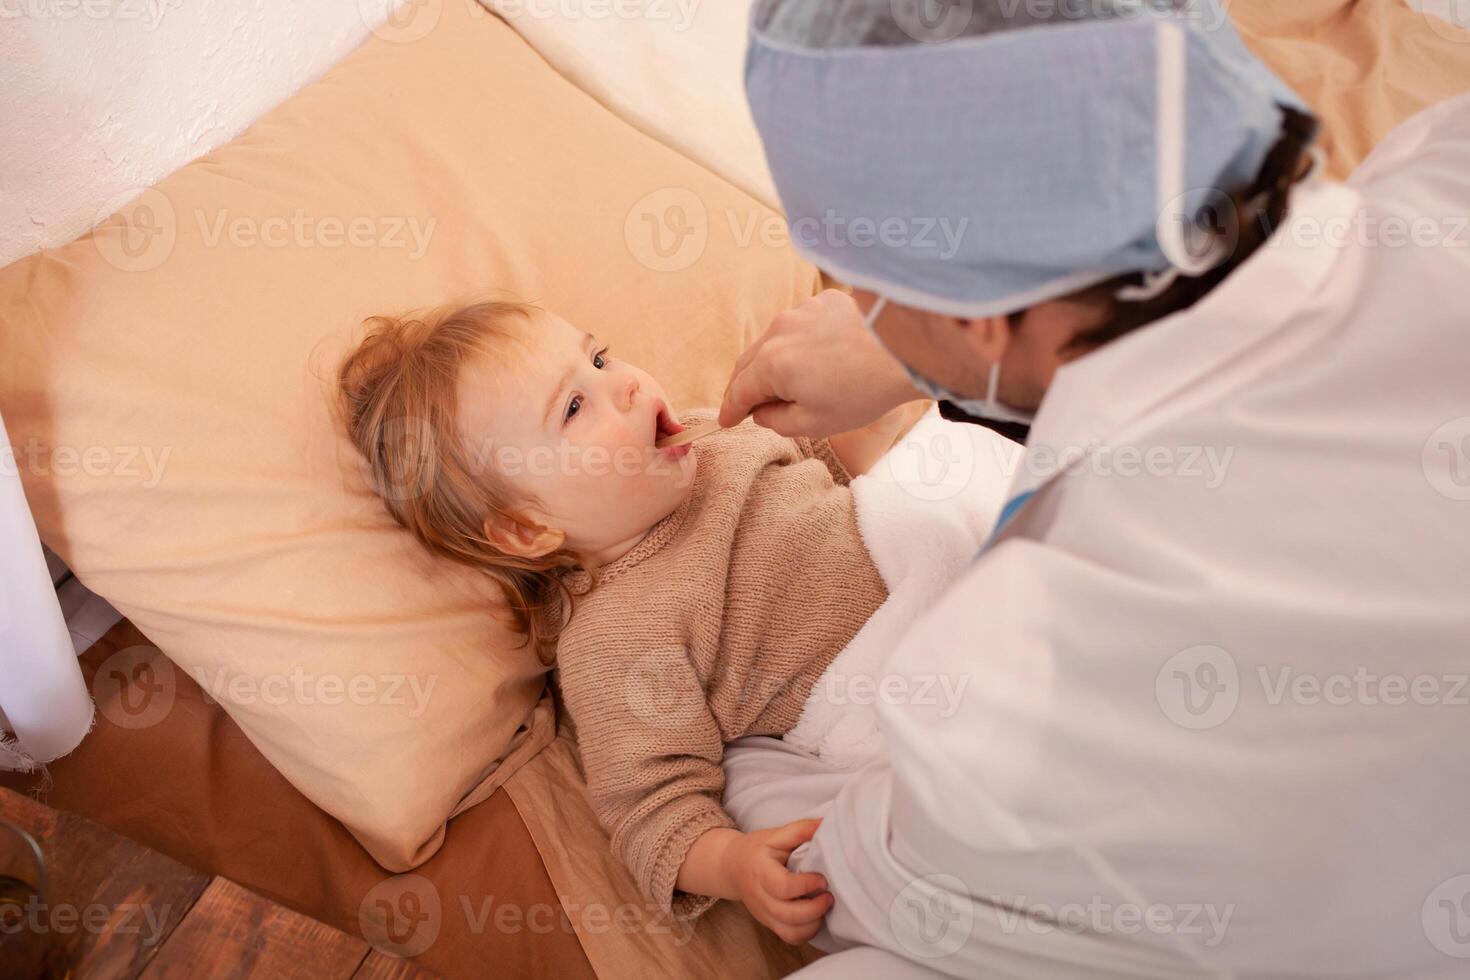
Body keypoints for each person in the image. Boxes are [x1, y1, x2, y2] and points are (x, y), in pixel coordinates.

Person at [714, 1, 1470, 976]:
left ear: (977, 317)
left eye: (853, 281)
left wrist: (737, 768)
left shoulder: (1025, 686)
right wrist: (921, 353)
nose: (851, 307)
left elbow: (844, 877)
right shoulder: (1445, 165)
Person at [335, 298, 935, 941]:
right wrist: (733, 866)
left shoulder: (718, 433)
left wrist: (870, 395)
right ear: (527, 528)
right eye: (573, 407)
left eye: (599, 357)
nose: (624, 383)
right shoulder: (615, 636)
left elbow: (839, 459)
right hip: (885, 688)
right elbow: (655, 806)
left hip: (928, 563)